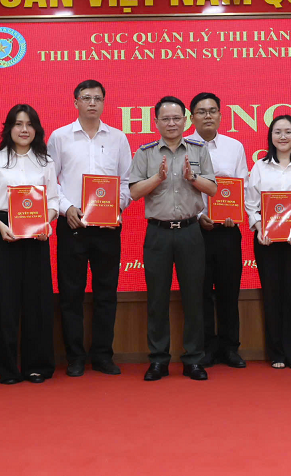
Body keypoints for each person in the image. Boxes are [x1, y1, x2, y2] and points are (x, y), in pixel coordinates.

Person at [47, 80, 132, 377]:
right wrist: (66, 208)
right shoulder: (59, 137)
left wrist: (117, 207)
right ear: (76, 102)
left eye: (97, 98)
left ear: (104, 102)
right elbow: (51, 181)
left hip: (108, 227)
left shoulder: (118, 138)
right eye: (86, 98)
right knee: (71, 293)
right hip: (72, 224)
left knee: (106, 292)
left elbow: (126, 182)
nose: (92, 103)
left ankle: (103, 356)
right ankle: (75, 357)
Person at [130, 96, 217, 382]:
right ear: (155, 122)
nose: (171, 123)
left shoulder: (198, 150)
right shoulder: (145, 152)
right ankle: (158, 360)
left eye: (176, 118)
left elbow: (212, 189)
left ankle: (194, 359)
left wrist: (192, 177)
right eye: (165, 119)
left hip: (191, 231)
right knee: (157, 298)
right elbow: (134, 192)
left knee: (194, 297)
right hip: (158, 232)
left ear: (185, 120)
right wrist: (157, 178)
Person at [0, 104, 60, 384]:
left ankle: (37, 365)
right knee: (6, 301)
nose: (24, 130)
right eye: (18, 124)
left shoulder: (45, 161)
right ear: (8, 129)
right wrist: (0, 226)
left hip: (37, 234)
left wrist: (46, 223)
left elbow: (53, 200)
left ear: (36, 129)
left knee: (38, 300)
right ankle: (8, 368)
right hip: (4, 232)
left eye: (29, 124)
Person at [244, 115, 291, 369]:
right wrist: (258, 228)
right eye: (278, 132)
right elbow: (251, 203)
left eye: (288, 131)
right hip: (266, 236)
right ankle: (276, 353)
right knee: (272, 294)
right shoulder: (260, 166)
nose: (283, 136)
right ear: (271, 137)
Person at [187, 92, 249, 369]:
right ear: (192, 117)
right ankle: (206, 348)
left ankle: (230, 347)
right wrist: (199, 216)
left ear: (221, 115)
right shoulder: (183, 147)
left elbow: (243, 185)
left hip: (227, 229)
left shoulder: (234, 147)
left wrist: (235, 213)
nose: (208, 116)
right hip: (194, 229)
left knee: (229, 290)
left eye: (213, 111)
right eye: (202, 112)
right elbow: (180, 190)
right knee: (200, 292)